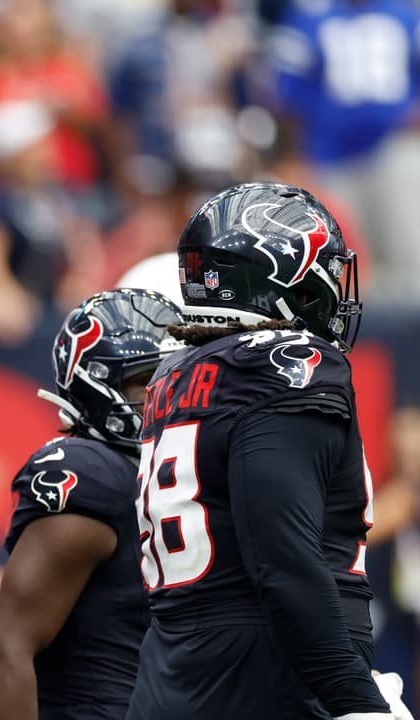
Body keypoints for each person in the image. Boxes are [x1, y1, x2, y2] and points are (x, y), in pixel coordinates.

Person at [126, 182, 410, 719]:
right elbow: (284, 562)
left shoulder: (174, 375)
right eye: (322, 273)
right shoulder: (287, 366)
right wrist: (355, 699)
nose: (332, 290)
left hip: (179, 676)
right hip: (271, 683)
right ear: (278, 276)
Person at [0, 288, 183, 718]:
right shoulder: (90, 474)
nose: (165, 396)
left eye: (174, 379)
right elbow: (7, 649)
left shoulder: (184, 470)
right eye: (146, 381)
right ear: (96, 386)